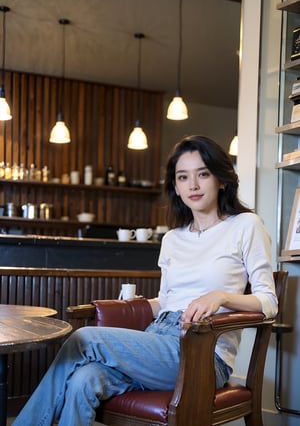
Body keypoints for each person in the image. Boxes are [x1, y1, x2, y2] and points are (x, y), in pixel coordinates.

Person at [13, 135, 278, 426]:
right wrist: (131, 305)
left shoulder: (245, 225)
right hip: (157, 340)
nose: (193, 185)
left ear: (222, 179)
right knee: (83, 380)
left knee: (84, 337)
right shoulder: (173, 239)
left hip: (202, 352)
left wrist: (221, 297)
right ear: (175, 187)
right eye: (183, 177)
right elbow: (166, 301)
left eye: (203, 174)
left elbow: (269, 302)